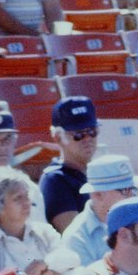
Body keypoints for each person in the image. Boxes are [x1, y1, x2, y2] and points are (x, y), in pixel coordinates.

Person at [59, 154, 138, 268]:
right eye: (125, 190)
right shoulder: (77, 238)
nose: (132, 196)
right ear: (98, 195)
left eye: (134, 189)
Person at [0, 166, 58, 275]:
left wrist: (47, 266)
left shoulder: (44, 232)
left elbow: (70, 258)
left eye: (27, 196)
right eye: (18, 198)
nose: (26, 202)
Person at [39, 96, 98, 233]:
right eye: (78, 134)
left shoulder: (97, 172)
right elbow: (76, 236)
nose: (88, 138)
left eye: (92, 131)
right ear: (58, 138)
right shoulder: (55, 180)